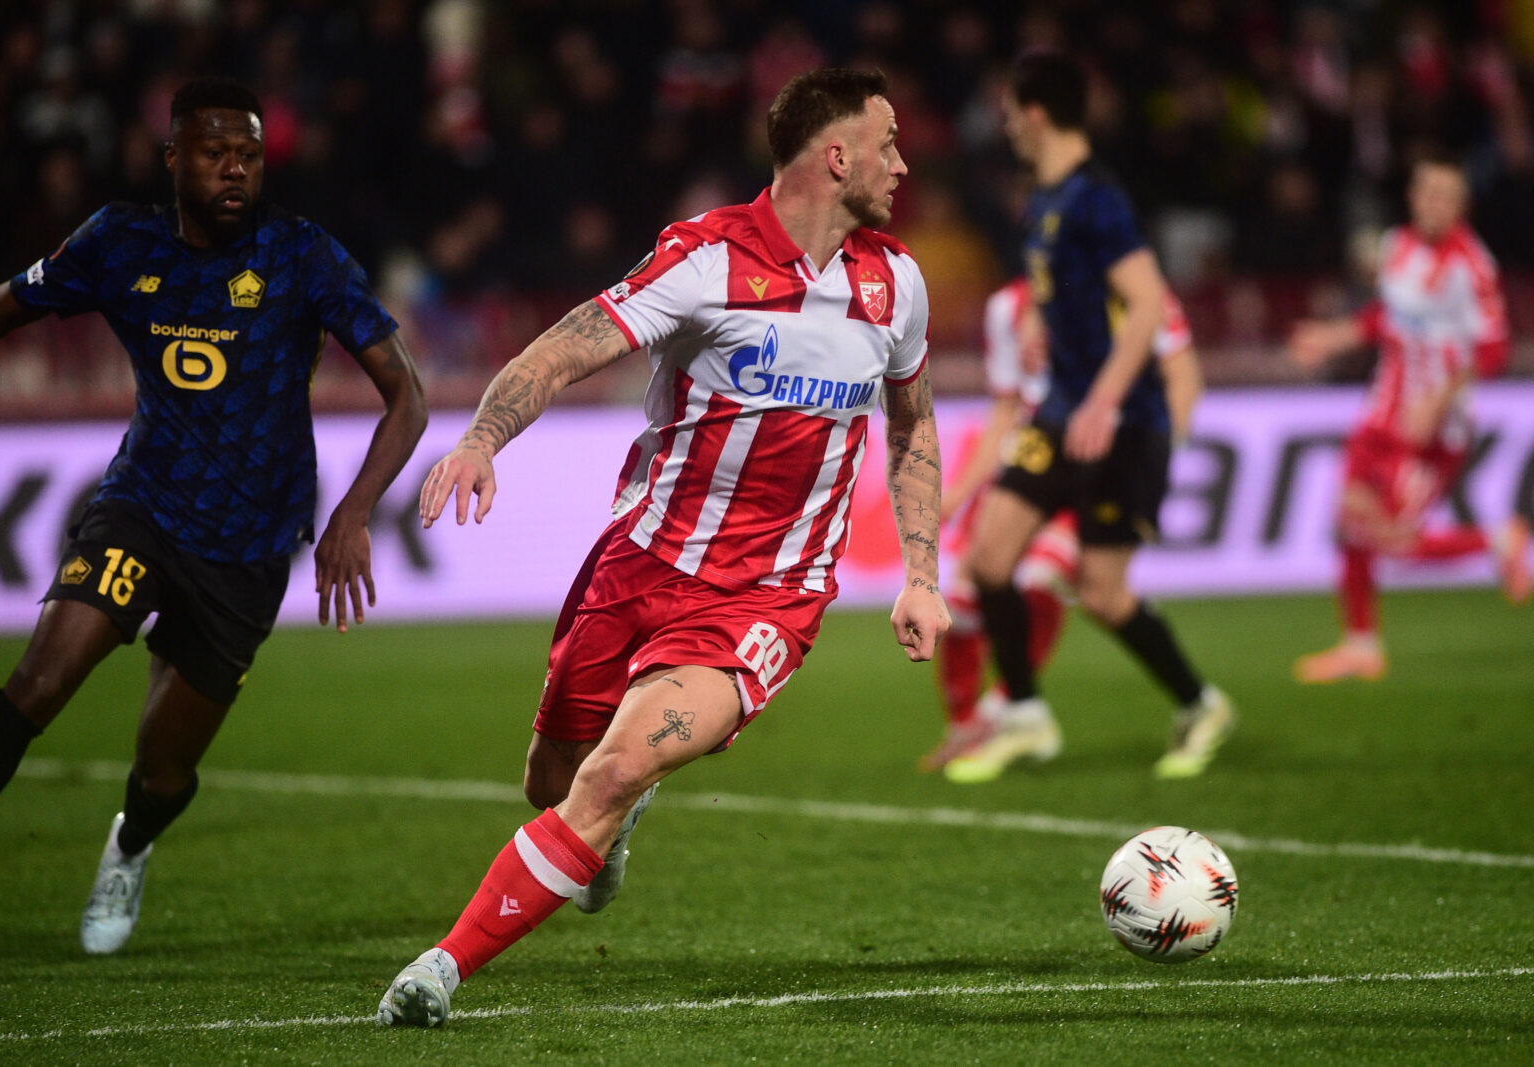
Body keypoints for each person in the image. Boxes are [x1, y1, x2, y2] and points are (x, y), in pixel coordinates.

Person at [377, 67, 948, 1028]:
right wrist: (480, 438)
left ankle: (438, 970)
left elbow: (916, 422)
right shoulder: (707, 259)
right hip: (640, 564)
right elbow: (567, 343)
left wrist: (922, 575)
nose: (903, 162)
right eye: (887, 143)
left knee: (608, 773)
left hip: (769, 596)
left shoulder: (896, 284)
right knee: (550, 781)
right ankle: (617, 816)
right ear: (835, 154)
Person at [0, 77, 427, 954]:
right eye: (214, 152)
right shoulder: (119, 243)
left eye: (248, 154)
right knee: (38, 684)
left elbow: (408, 398)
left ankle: (128, 844)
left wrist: (353, 512)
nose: (234, 169)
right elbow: (1, 307)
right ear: (173, 159)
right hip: (142, 508)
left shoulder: (302, 257)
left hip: (249, 546)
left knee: (164, 764)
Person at [950, 51, 1234, 785]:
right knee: (987, 559)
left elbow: (1145, 302)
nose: (1006, 125)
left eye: (1012, 112)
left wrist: (1107, 399)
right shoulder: (1043, 201)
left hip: (1121, 422)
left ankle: (1201, 702)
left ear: (1036, 113)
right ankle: (1026, 717)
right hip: (1060, 414)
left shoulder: (1095, 199)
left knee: (1105, 595)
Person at [923, 280, 1203, 778]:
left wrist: (1159, 458)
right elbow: (1009, 405)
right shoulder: (1008, 305)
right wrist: (962, 491)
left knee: (1077, 589)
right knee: (974, 583)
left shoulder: (1135, 291)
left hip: (1111, 455)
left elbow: (1181, 373)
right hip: (1040, 449)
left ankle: (1196, 702)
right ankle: (979, 722)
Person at [1289, 156, 1530, 683]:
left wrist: (1439, 400)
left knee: (1394, 538)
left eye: (1446, 194)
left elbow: (1493, 349)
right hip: (1382, 412)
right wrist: (1332, 336)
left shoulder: (1471, 264)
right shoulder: (1395, 245)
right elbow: (1386, 315)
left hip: (1435, 430)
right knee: (1350, 523)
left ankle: (1499, 539)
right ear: (1413, 197)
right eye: (1426, 192)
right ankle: (1360, 646)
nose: (1433, 202)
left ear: (1461, 205)